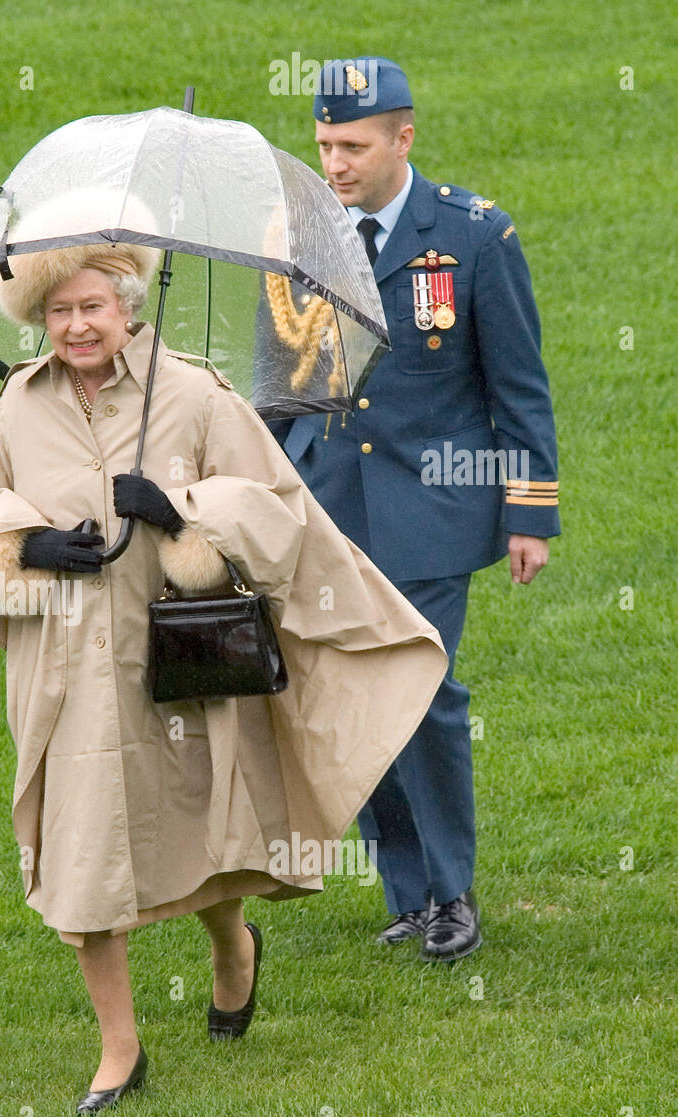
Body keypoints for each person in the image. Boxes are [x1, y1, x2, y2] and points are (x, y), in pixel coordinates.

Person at [0, 203, 450, 1114]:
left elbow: (277, 509)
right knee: (81, 855)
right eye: (58, 312)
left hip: (179, 659)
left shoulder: (195, 393)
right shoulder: (14, 405)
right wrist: (29, 547)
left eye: (93, 305)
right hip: (62, 671)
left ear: (129, 302)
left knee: (195, 832)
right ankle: (120, 1050)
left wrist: (181, 510)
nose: (77, 326)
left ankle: (232, 945)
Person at [266, 59, 560, 961]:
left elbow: (518, 384)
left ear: (405, 137)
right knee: (353, 697)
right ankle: (407, 891)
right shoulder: (301, 237)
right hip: (329, 506)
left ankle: (452, 889)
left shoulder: (474, 237)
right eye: (323, 145)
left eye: (351, 145)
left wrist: (529, 510)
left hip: (431, 509)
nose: (335, 163)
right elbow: (279, 387)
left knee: (422, 691)